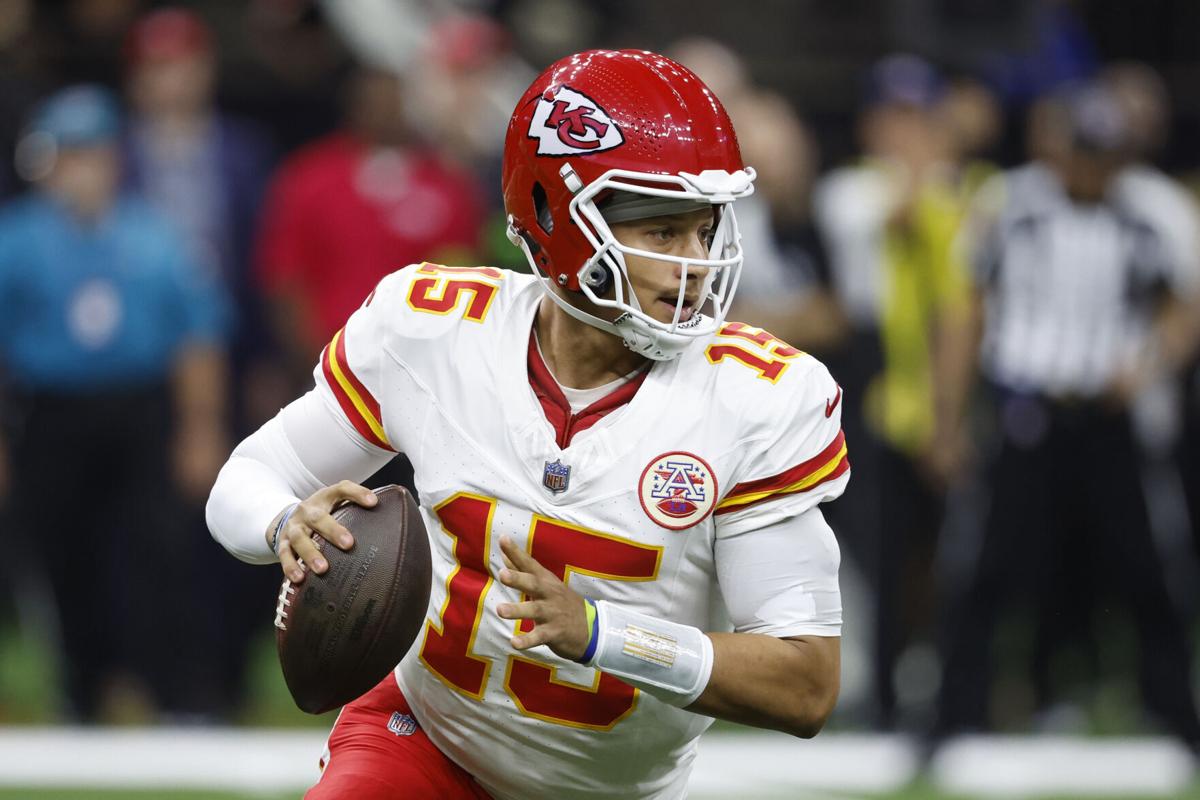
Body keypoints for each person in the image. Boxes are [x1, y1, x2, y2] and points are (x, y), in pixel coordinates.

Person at [208, 50, 848, 799]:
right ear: (557, 220)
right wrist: (287, 522)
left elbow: (805, 683)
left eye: (705, 231)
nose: (696, 265)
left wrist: (605, 635)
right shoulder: (435, 330)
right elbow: (244, 481)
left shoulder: (758, 399)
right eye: (664, 232)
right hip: (427, 745)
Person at [933, 83, 1200, 750]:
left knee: (1143, 569)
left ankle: (1173, 714)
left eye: (1106, 154)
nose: (1091, 168)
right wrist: (948, 420)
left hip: (1109, 416)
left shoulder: (1147, 211)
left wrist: (1148, 364)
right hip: (1029, 408)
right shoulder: (1013, 205)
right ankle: (950, 716)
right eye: (1084, 151)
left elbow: (1181, 306)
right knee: (989, 567)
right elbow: (968, 311)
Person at [0, 85, 230, 721]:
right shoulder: (16, 239)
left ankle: (178, 697)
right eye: (70, 155)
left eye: (93, 153)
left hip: (138, 411)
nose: (83, 169)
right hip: (51, 413)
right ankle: (80, 692)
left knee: (158, 553)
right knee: (62, 555)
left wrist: (199, 427)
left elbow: (197, 336)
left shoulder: (154, 236)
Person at [813, 54, 973, 729]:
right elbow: (899, 217)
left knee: (939, 549)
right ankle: (880, 696)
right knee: (877, 540)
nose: (904, 131)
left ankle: (943, 688)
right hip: (871, 371)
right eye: (895, 116)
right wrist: (938, 156)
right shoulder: (850, 189)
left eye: (917, 116)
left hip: (945, 368)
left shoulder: (967, 190)